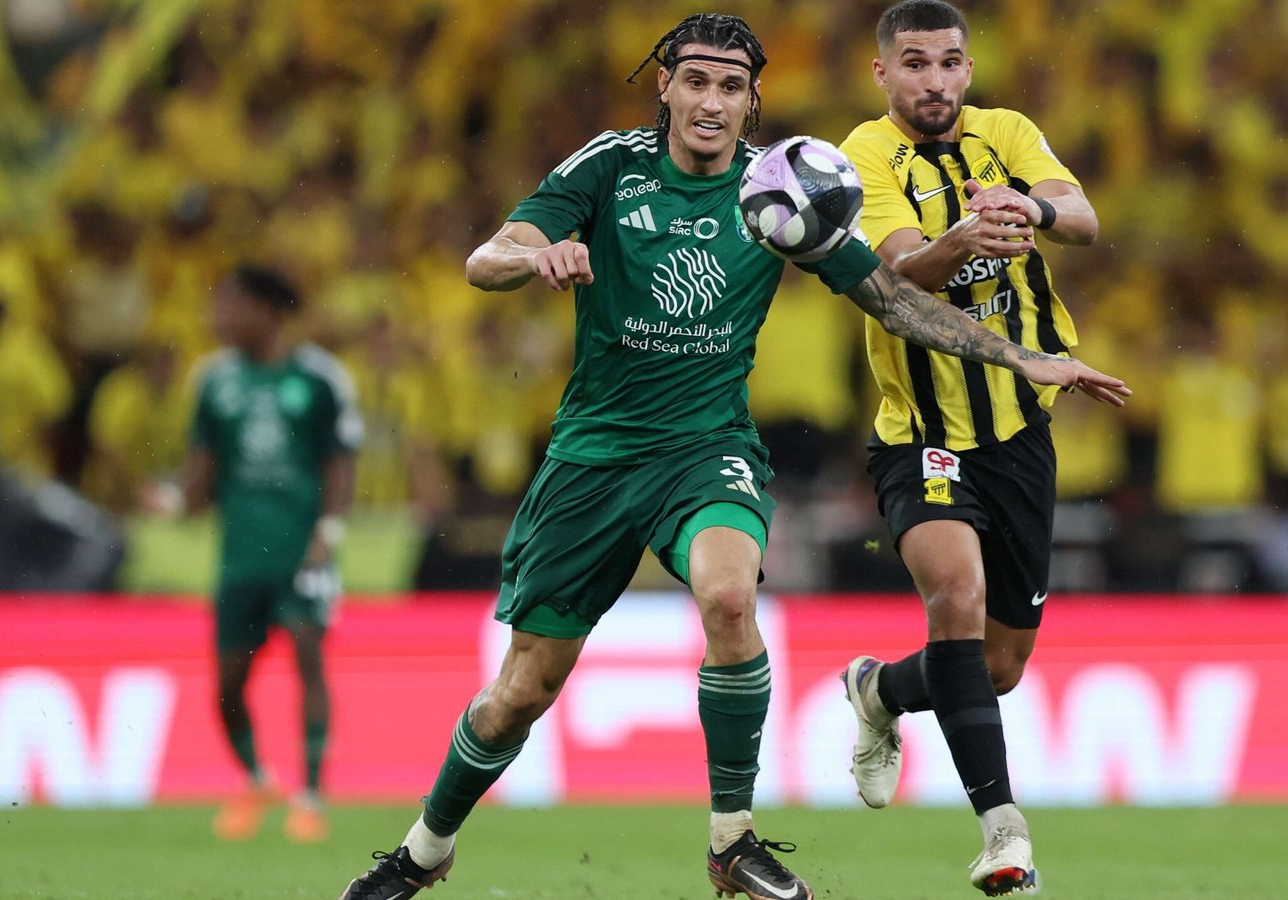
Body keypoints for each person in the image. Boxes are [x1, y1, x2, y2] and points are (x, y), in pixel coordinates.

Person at [337, 13, 1126, 900]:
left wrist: (1022, 357)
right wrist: (537, 257)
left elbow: (892, 300)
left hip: (707, 450)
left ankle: (732, 840)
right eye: (696, 81)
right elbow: (486, 258)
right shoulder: (610, 167)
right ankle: (425, 850)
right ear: (665, 87)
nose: (711, 102)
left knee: (726, 594)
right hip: (595, 457)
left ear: (752, 102)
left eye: (731, 86)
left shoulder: (777, 191)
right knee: (521, 691)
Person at [835, 1, 1120, 894]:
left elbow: (1083, 220)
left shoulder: (1009, 133)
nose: (936, 80)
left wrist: (1029, 205)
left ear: (968, 66)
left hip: (1018, 435)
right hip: (921, 434)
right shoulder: (863, 155)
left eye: (950, 62)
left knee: (998, 667)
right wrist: (962, 240)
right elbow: (895, 278)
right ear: (883, 72)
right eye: (915, 63)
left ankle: (881, 691)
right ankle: (1004, 832)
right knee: (954, 595)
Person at [149, 264, 362, 844]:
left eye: (233, 304)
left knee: (308, 655)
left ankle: (311, 796)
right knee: (227, 684)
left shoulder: (319, 379)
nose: (220, 316)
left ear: (268, 312)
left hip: (302, 550)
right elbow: (202, 471)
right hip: (241, 556)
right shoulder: (214, 382)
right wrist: (174, 500)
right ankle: (257, 778)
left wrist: (330, 529)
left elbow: (339, 462)